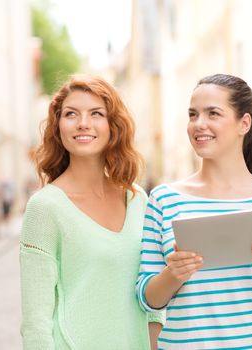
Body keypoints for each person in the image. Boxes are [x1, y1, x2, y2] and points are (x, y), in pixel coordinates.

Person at [136, 74, 252, 349]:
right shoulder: (164, 200)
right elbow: (148, 299)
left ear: (244, 123)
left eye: (213, 113)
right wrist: (173, 274)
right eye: (193, 115)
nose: (199, 124)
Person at [20, 75, 164, 349]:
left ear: (113, 126)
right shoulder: (45, 208)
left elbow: (153, 302)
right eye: (71, 114)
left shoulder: (138, 200)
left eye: (96, 113)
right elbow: (35, 323)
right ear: (58, 126)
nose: (83, 123)